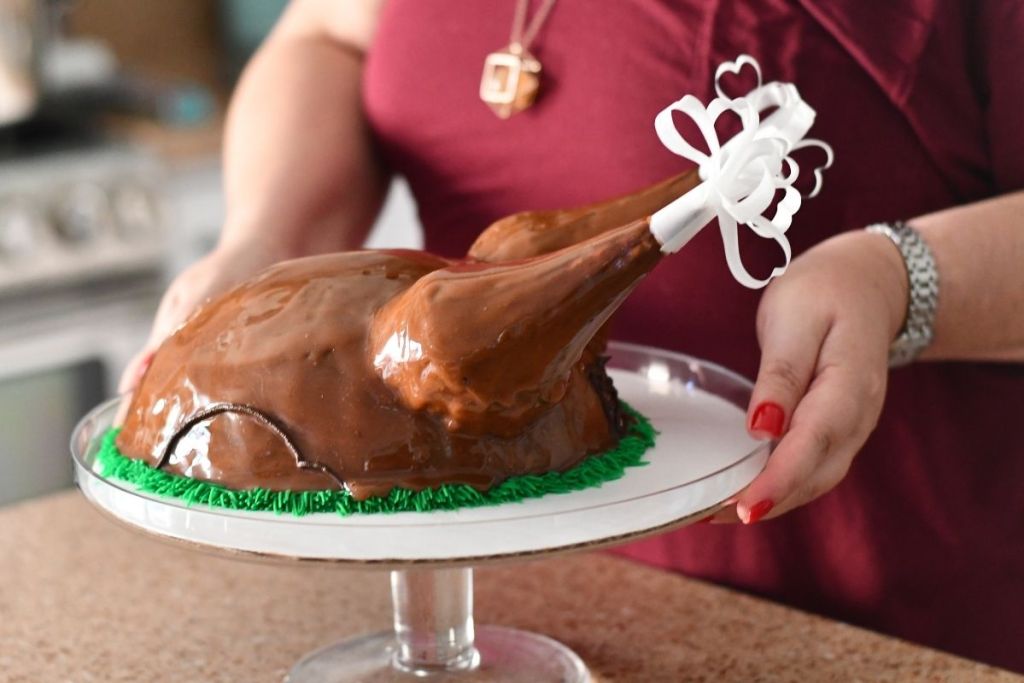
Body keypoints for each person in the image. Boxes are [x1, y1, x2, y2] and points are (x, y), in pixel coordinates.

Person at [120, 0, 1024, 671]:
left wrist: (896, 277)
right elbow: (327, 37)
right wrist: (268, 234)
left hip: (856, 628)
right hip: (494, 607)